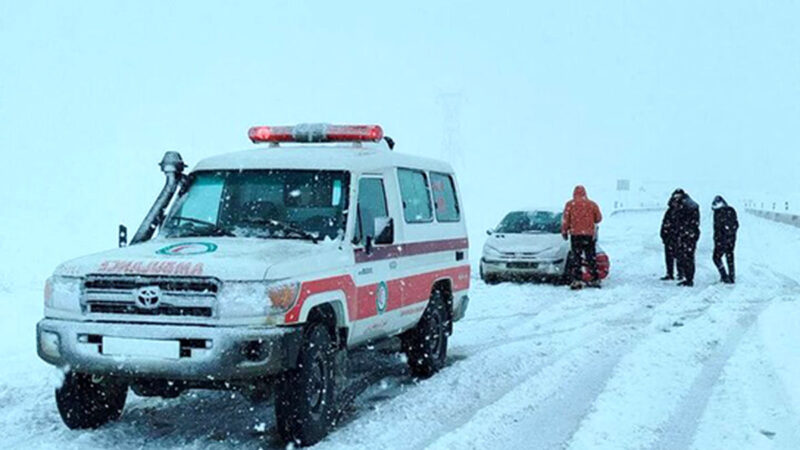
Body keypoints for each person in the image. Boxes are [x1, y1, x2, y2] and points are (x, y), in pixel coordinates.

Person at [561, 185, 603, 289]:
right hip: (588, 235)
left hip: (575, 235)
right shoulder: (592, 204)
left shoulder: (570, 204)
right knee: (590, 257)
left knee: (576, 258)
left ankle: (577, 280)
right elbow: (598, 219)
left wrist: (564, 232)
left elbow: (565, 220)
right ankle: (594, 278)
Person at [673, 190, 700, 287]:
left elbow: (684, 221)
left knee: (687, 256)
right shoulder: (688, 204)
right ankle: (688, 277)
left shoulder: (686, 205)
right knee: (686, 256)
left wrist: (684, 231)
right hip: (688, 234)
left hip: (688, 235)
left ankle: (689, 279)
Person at [712, 195, 738, 283]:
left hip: (722, 239)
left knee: (716, 257)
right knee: (729, 255)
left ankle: (725, 276)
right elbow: (736, 224)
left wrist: (723, 235)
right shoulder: (730, 211)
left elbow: (719, 228)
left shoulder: (720, 213)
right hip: (730, 238)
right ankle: (731, 275)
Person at [660, 190, 684, 280]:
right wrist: (663, 234)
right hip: (669, 236)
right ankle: (669, 273)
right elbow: (665, 222)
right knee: (669, 256)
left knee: (680, 256)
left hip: (679, 236)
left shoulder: (684, 210)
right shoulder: (670, 211)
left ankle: (680, 273)